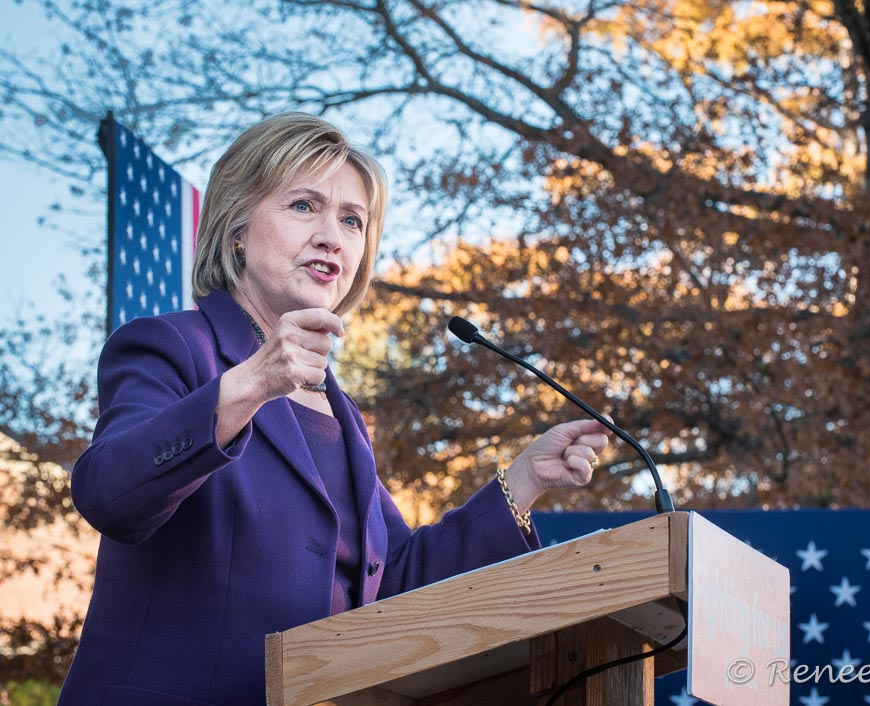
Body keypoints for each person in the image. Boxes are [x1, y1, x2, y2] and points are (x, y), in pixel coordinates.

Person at [58, 113, 610, 705]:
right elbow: (108, 491)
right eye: (303, 206)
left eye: (352, 220)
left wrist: (523, 479)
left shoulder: (340, 412)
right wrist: (249, 385)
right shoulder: (173, 345)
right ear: (237, 226)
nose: (332, 236)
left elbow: (395, 578)